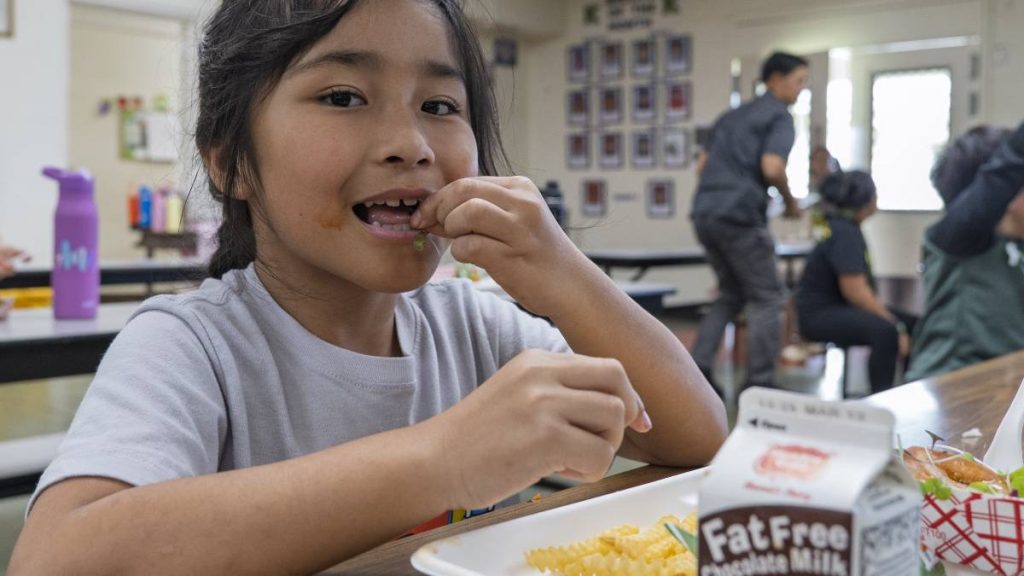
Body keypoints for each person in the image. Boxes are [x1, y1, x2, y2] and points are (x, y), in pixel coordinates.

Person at [9, 1, 727, 574]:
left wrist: (567, 274)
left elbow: (697, 441)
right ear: (232, 164)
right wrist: (442, 461)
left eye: (440, 106)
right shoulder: (194, 345)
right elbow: (57, 560)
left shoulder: (473, 327)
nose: (410, 144)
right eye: (344, 96)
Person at [690, 51, 808, 394]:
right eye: (798, 80)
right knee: (768, 298)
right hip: (739, 217)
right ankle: (759, 385)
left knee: (731, 293)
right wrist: (790, 202)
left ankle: (698, 368)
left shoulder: (731, 116)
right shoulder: (779, 116)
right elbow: (772, 167)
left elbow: (701, 167)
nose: (801, 89)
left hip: (705, 213)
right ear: (775, 79)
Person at [905, 122, 1024, 381]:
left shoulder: (1016, 245)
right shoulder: (961, 238)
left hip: (1003, 386)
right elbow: (1005, 170)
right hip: (948, 388)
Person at [795, 170, 915, 394]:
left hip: (836, 308)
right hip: (818, 315)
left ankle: (911, 387)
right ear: (866, 198)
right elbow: (854, 290)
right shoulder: (844, 232)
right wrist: (895, 325)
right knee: (886, 331)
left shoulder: (845, 227)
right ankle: (880, 399)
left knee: (915, 324)